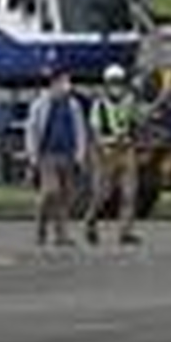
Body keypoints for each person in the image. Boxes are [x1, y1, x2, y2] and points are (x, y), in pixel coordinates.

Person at [24, 72, 90, 246]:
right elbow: (31, 130)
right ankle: (40, 227)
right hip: (47, 155)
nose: (67, 85)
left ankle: (61, 235)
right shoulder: (40, 104)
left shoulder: (73, 105)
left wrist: (80, 155)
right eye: (63, 82)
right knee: (51, 191)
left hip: (67, 155)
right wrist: (32, 156)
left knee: (66, 196)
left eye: (68, 82)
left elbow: (80, 130)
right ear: (54, 84)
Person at [85, 63, 145, 247]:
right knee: (104, 194)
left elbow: (136, 120)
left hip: (126, 150)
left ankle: (125, 232)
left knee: (130, 194)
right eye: (113, 82)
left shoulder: (130, 101)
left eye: (119, 82)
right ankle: (91, 220)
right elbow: (95, 131)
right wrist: (104, 148)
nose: (116, 86)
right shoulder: (99, 105)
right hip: (106, 152)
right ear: (106, 84)